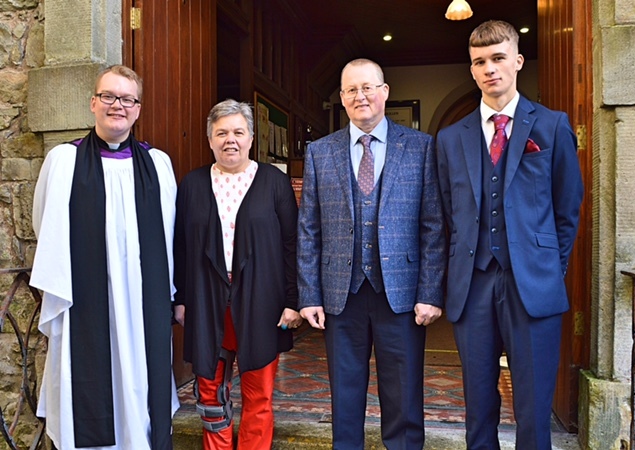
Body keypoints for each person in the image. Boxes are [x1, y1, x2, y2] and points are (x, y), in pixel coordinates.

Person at [436, 20, 584, 450]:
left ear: (517, 61)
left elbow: (566, 210)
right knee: (478, 404)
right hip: (474, 282)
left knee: (534, 407)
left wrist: (547, 270)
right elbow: (449, 213)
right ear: (472, 68)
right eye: (479, 62)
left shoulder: (552, 126)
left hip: (533, 284)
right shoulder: (449, 138)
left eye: (498, 58)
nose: (489, 69)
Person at [297, 58, 447, 449]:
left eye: (368, 87)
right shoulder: (319, 152)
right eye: (351, 90)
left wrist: (430, 292)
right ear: (342, 99)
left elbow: (433, 225)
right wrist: (309, 294)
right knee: (345, 399)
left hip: (400, 294)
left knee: (403, 398)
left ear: (384, 92)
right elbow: (309, 229)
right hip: (340, 295)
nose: (360, 96)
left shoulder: (420, 147)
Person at [30, 65, 179, 450]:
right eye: (109, 97)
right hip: (86, 297)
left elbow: (170, 235)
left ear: (138, 108)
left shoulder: (158, 165)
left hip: (142, 297)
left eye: (128, 99)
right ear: (93, 103)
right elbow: (43, 222)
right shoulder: (63, 161)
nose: (118, 106)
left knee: (142, 374)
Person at [173, 99, 301, 450]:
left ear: (251, 137)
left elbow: (292, 244)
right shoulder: (193, 184)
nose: (230, 139)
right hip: (205, 299)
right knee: (211, 392)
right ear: (210, 139)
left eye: (238, 132)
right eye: (222, 133)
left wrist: (293, 301)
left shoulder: (275, 182)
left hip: (262, 300)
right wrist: (181, 298)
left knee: (258, 392)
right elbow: (180, 248)